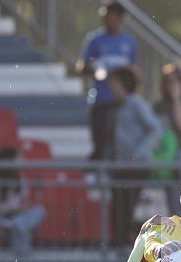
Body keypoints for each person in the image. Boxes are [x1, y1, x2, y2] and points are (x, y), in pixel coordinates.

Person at [108, 66, 163, 247]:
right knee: (119, 206)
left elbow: (155, 129)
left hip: (135, 166)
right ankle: (120, 242)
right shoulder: (119, 106)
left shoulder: (136, 104)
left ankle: (124, 245)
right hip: (122, 165)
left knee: (126, 206)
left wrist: (138, 153)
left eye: (114, 83)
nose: (111, 87)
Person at [77, 1, 137, 161]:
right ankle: (99, 176)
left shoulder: (129, 43)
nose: (105, 20)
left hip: (122, 102)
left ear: (120, 18)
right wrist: (96, 70)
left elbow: (132, 72)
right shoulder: (95, 40)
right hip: (102, 100)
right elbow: (82, 67)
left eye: (110, 17)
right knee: (101, 141)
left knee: (119, 141)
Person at [0, 147, 46, 258]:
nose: (23, 160)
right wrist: (7, 209)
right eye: (19, 158)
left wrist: (21, 209)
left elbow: (27, 205)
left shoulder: (21, 179)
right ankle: (24, 255)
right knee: (20, 225)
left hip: (17, 217)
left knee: (39, 211)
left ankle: (17, 227)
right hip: (1, 218)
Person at [154, 63, 181, 215]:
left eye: (175, 81)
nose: (172, 85)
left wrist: (177, 99)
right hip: (166, 155)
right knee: (171, 196)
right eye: (168, 81)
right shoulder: (159, 106)